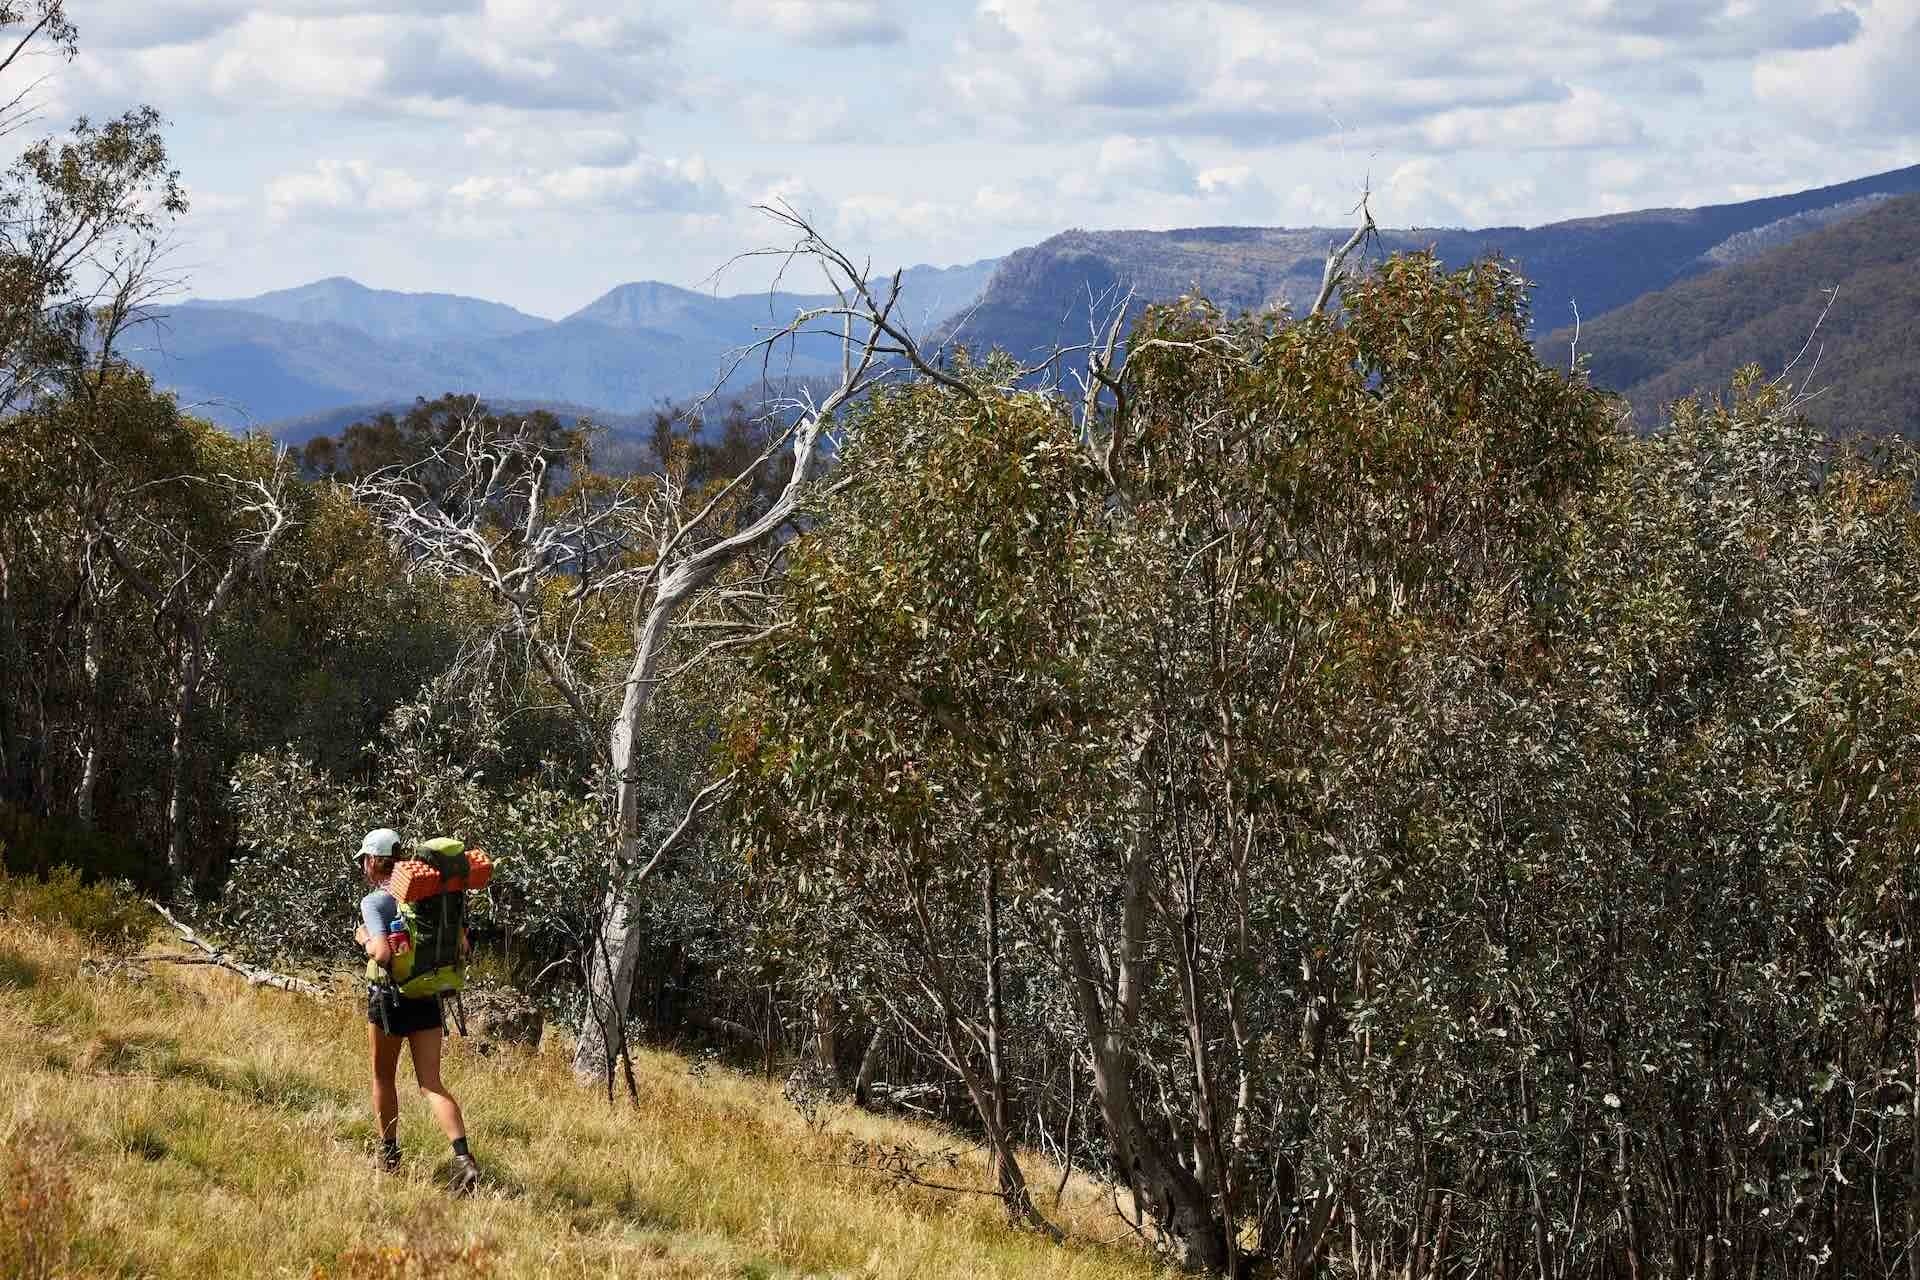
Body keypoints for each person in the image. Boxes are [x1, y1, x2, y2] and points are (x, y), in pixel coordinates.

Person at [353, 826, 481, 1193]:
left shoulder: (375, 902)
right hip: (427, 995)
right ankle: (463, 1159)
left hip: (390, 999)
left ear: (375, 862)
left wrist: (364, 938)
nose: (363, 866)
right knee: (431, 1083)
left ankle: (389, 1155)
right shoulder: (431, 897)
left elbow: (382, 953)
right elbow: (463, 945)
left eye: (365, 860)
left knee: (383, 1077)